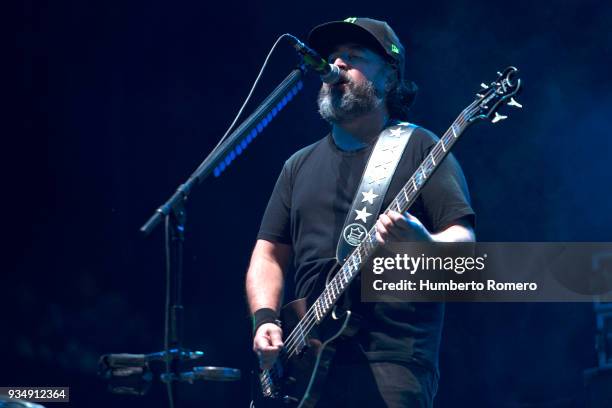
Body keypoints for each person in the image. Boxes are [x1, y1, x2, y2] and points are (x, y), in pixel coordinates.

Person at [245, 17, 475, 407]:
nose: (336, 65)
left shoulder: (420, 148)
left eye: (353, 57)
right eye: (332, 57)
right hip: (306, 364)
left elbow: (464, 247)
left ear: (389, 77)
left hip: (390, 363)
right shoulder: (297, 165)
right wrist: (266, 318)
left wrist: (426, 246)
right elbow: (268, 253)